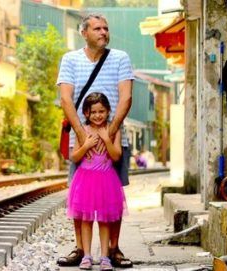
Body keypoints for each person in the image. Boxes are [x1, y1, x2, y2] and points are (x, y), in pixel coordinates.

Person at [56, 12, 134, 268]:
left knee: (113, 196)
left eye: (106, 28)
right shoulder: (70, 60)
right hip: (82, 137)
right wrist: (82, 134)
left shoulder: (121, 58)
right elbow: (66, 99)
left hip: (111, 137)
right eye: (97, 28)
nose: (103, 32)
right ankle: (81, 250)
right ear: (84, 33)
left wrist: (109, 133)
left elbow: (126, 98)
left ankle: (113, 249)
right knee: (80, 197)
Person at [67, 92, 127, 270]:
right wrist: (86, 145)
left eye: (101, 111)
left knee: (104, 219)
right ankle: (86, 255)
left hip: (107, 180)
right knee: (85, 219)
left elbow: (116, 156)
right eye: (93, 112)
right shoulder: (82, 131)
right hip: (85, 180)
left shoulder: (113, 130)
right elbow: (74, 157)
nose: (97, 115)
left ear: (108, 111)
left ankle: (105, 257)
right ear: (86, 113)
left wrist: (106, 138)